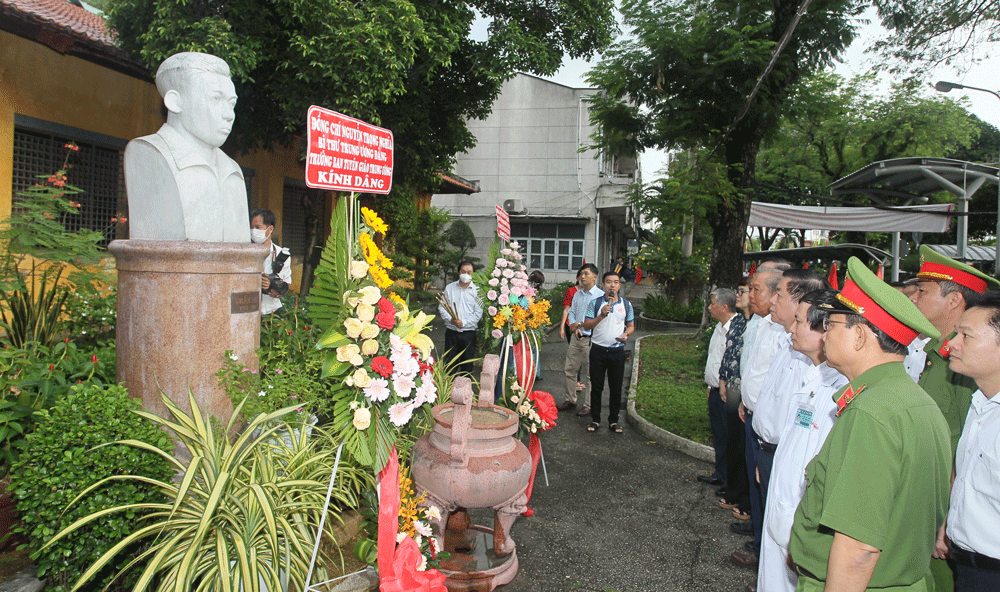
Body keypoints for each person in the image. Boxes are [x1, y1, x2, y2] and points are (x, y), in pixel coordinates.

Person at [789, 257, 951, 592]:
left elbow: (859, 550)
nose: (823, 336)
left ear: (860, 335)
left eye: (830, 326)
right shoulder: (915, 400)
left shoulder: (871, 411)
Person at [909, 245, 999, 592]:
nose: (913, 298)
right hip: (953, 530)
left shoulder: (970, 376)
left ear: (953, 300)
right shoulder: (980, 398)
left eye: (923, 291)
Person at [732, 268, 827, 582]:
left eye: (779, 294)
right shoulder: (790, 343)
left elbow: (800, 422)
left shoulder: (818, 366)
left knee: (785, 541)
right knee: (769, 531)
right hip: (767, 448)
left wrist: (775, 456)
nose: (771, 299)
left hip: (782, 457)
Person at [757, 290, 847, 592]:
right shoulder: (815, 379)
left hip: (799, 522)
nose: (791, 329)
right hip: (782, 510)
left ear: (824, 331)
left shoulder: (839, 391)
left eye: (800, 323)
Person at [124, 52, 251, 243]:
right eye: (215, 99)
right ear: (175, 102)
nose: (229, 115)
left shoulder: (233, 170)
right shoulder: (148, 153)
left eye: (231, 103)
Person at [941, 293, 1000, 591]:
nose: (952, 343)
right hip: (967, 567)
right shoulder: (980, 406)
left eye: (966, 335)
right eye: (956, 332)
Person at [718, 276, 752, 536]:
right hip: (731, 388)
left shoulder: (761, 325)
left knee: (743, 445)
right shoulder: (740, 321)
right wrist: (721, 379)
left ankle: (743, 498)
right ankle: (732, 490)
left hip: (746, 393)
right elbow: (729, 353)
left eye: (742, 291)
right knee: (732, 439)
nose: (737, 295)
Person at [584, 271, 635, 433]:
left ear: (619, 285)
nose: (612, 285)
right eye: (608, 282)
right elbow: (587, 325)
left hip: (617, 352)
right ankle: (595, 419)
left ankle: (614, 420)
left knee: (616, 387)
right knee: (596, 387)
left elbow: (631, 325)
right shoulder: (595, 303)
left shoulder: (626, 305)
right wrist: (601, 315)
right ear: (603, 285)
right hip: (598, 350)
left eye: (615, 282)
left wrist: (626, 334)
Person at [700, 288, 738, 487]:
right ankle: (720, 473)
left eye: (712, 303)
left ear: (724, 307)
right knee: (719, 435)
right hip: (715, 390)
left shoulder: (737, 329)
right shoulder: (718, 327)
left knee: (730, 436)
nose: (709, 307)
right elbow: (714, 358)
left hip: (728, 394)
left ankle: (730, 481)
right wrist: (710, 384)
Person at [561, 263, 603, 414]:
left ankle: (588, 405)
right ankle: (570, 399)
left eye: (586, 274)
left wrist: (580, 325)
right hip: (575, 337)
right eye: (581, 274)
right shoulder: (577, 294)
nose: (583, 277)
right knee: (570, 369)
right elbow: (571, 312)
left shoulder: (599, 296)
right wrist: (574, 325)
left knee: (590, 374)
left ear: (595, 276)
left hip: (590, 339)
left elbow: (600, 318)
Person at [438, 261, 483, 377]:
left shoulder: (478, 291)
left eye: (469, 272)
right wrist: (451, 320)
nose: (466, 274)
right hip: (451, 333)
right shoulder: (450, 288)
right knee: (449, 366)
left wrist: (463, 323)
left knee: (466, 369)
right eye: (463, 271)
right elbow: (442, 307)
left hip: (469, 334)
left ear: (473, 274)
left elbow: (478, 313)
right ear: (459, 272)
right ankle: (447, 393)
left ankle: (465, 394)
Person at [250, 208, 292, 315]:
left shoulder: (282, 255)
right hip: (249, 309)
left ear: (270, 229)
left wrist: (274, 289)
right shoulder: (246, 252)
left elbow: (286, 284)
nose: (253, 231)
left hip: (272, 310)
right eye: (252, 227)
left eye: (257, 227)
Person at [527, 270, 545, 381]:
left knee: (535, 348)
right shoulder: (528, 290)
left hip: (535, 321)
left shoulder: (534, 290)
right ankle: (534, 373)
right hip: (530, 322)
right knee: (534, 348)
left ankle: (536, 372)